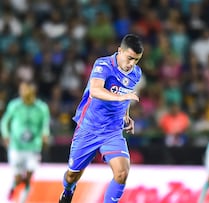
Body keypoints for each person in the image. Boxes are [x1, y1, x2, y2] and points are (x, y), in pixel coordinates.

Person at [59, 34, 144, 203]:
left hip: (112, 130)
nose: (132, 64)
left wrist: (126, 115)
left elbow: (126, 95)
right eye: (130, 58)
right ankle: (68, 191)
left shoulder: (136, 73)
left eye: (136, 60)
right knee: (71, 176)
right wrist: (121, 97)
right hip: (89, 128)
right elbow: (95, 90)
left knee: (122, 173)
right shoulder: (103, 64)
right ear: (120, 51)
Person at [1, 81, 50, 203]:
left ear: (32, 92)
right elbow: (4, 122)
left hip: (33, 147)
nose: (23, 94)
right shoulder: (14, 105)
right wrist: (6, 135)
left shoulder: (42, 108)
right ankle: (13, 186)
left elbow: (45, 125)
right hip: (16, 147)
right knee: (18, 178)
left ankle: (22, 200)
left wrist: (45, 135)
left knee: (28, 177)